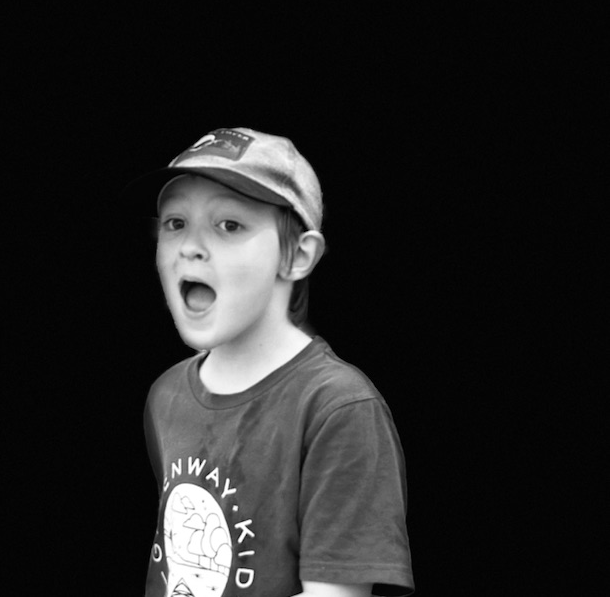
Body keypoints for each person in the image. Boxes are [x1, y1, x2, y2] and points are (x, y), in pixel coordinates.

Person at [128, 128, 414, 597]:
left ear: (298, 256)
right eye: (175, 222)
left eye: (229, 225)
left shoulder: (337, 409)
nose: (190, 246)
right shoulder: (166, 395)